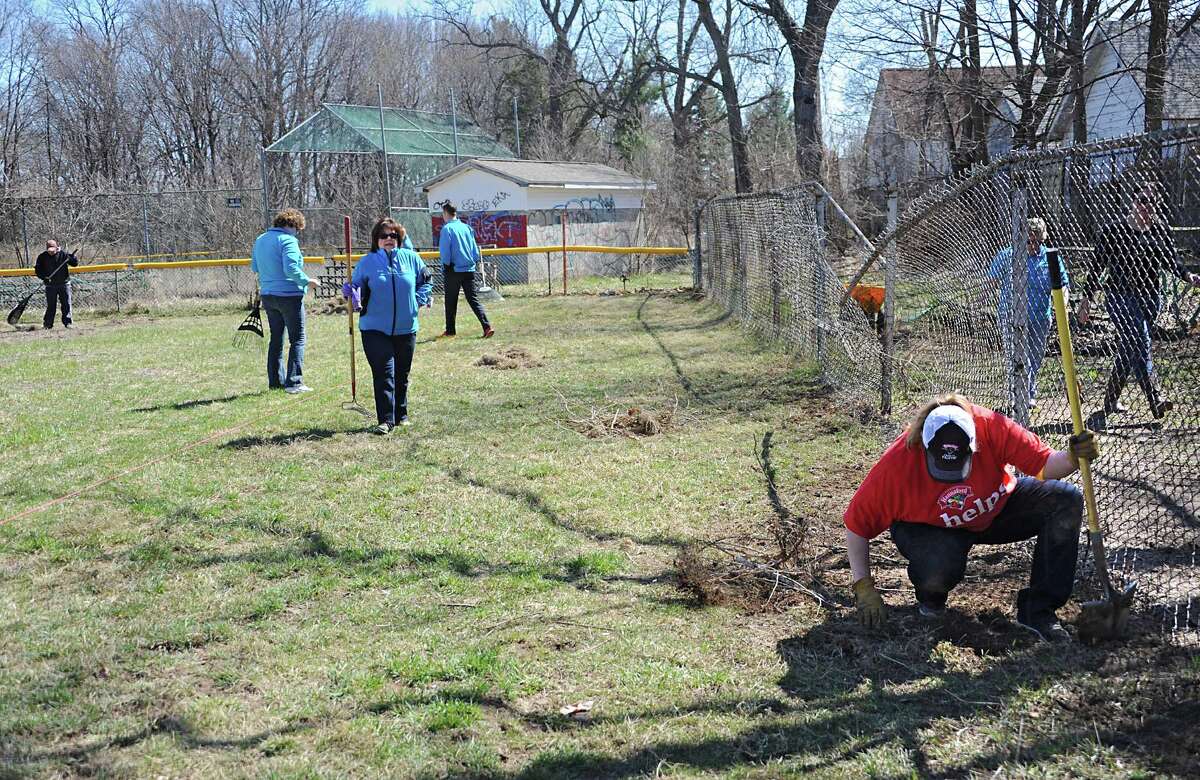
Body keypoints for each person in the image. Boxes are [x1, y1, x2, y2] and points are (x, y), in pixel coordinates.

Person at [845, 393, 1100, 642]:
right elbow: (857, 524)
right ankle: (931, 599)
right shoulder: (898, 463)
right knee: (938, 566)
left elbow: (1045, 465)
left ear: (973, 444)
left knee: (1065, 499)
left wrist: (1072, 457)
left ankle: (1038, 612)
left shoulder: (990, 427)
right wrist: (864, 587)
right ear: (924, 447)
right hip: (930, 526)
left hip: (992, 510)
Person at [1078, 181, 1200, 418]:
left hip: (1150, 298)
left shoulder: (1160, 230)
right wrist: (1087, 299)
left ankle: (1110, 400)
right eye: (1142, 200)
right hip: (1119, 297)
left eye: (1152, 201)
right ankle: (1155, 398)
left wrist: (1188, 275)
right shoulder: (1114, 230)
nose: (1147, 205)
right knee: (1140, 339)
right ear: (1132, 202)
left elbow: (1171, 260)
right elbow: (1096, 266)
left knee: (1129, 346)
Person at [348, 218, 433, 435]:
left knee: (402, 373)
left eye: (393, 235)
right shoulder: (367, 263)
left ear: (399, 238)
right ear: (376, 239)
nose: (388, 239)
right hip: (374, 328)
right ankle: (386, 420)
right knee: (384, 373)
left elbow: (427, 281)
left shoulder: (412, 259)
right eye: (384, 236)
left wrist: (418, 299)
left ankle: (401, 414)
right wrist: (352, 292)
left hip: (406, 327)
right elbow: (356, 287)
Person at [984, 218, 1067, 409]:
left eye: (1037, 241)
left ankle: (1029, 393)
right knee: (1018, 358)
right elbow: (991, 282)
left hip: (1040, 318)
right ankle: (1017, 397)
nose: (1032, 246)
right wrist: (980, 299)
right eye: (1028, 241)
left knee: (1035, 358)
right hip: (1010, 317)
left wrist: (1062, 304)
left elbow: (1062, 284)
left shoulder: (1050, 258)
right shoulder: (1007, 255)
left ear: (1043, 238)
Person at [251, 208, 318, 393]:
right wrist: (308, 281)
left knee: (276, 339)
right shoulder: (289, 240)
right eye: (298, 229)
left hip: (268, 296)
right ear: (292, 225)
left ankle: (275, 381)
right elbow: (291, 269)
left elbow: (254, 266)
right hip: (289, 296)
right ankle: (294, 382)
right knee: (298, 339)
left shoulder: (260, 239)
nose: (297, 233)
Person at [437, 202, 494, 339]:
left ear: (445, 213)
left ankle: (450, 330)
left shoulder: (447, 229)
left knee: (450, 301)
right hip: (469, 269)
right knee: (473, 299)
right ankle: (487, 326)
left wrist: (445, 265)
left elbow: (445, 252)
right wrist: (472, 262)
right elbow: (475, 251)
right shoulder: (467, 227)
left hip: (453, 269)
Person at [34, 239, 79, 329]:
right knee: (51, 306)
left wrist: (72, 259)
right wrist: (44, 277)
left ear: (57, 247)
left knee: (66, 304)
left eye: (53, 251)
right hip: (50, 286)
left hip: (64, 284)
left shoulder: (64, 255)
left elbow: (74, 264)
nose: (51, 253)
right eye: (49, 251)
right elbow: (38, 271)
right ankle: (48, 324)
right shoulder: (42, 257)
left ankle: (68, 323)